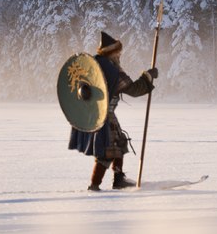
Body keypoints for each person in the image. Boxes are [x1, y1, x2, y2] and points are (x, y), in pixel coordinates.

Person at [68, 31, 158, 190]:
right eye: (118, 53)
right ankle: (94, 185)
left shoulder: (93, 66)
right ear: (112, 53)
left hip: (95, 114)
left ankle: (118, 178)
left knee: (119, 142)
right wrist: (148, 77)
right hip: (104, 115)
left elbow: (81, 86)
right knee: (108, 150)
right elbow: (134, 89)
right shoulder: (113, 71)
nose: (120, 55)